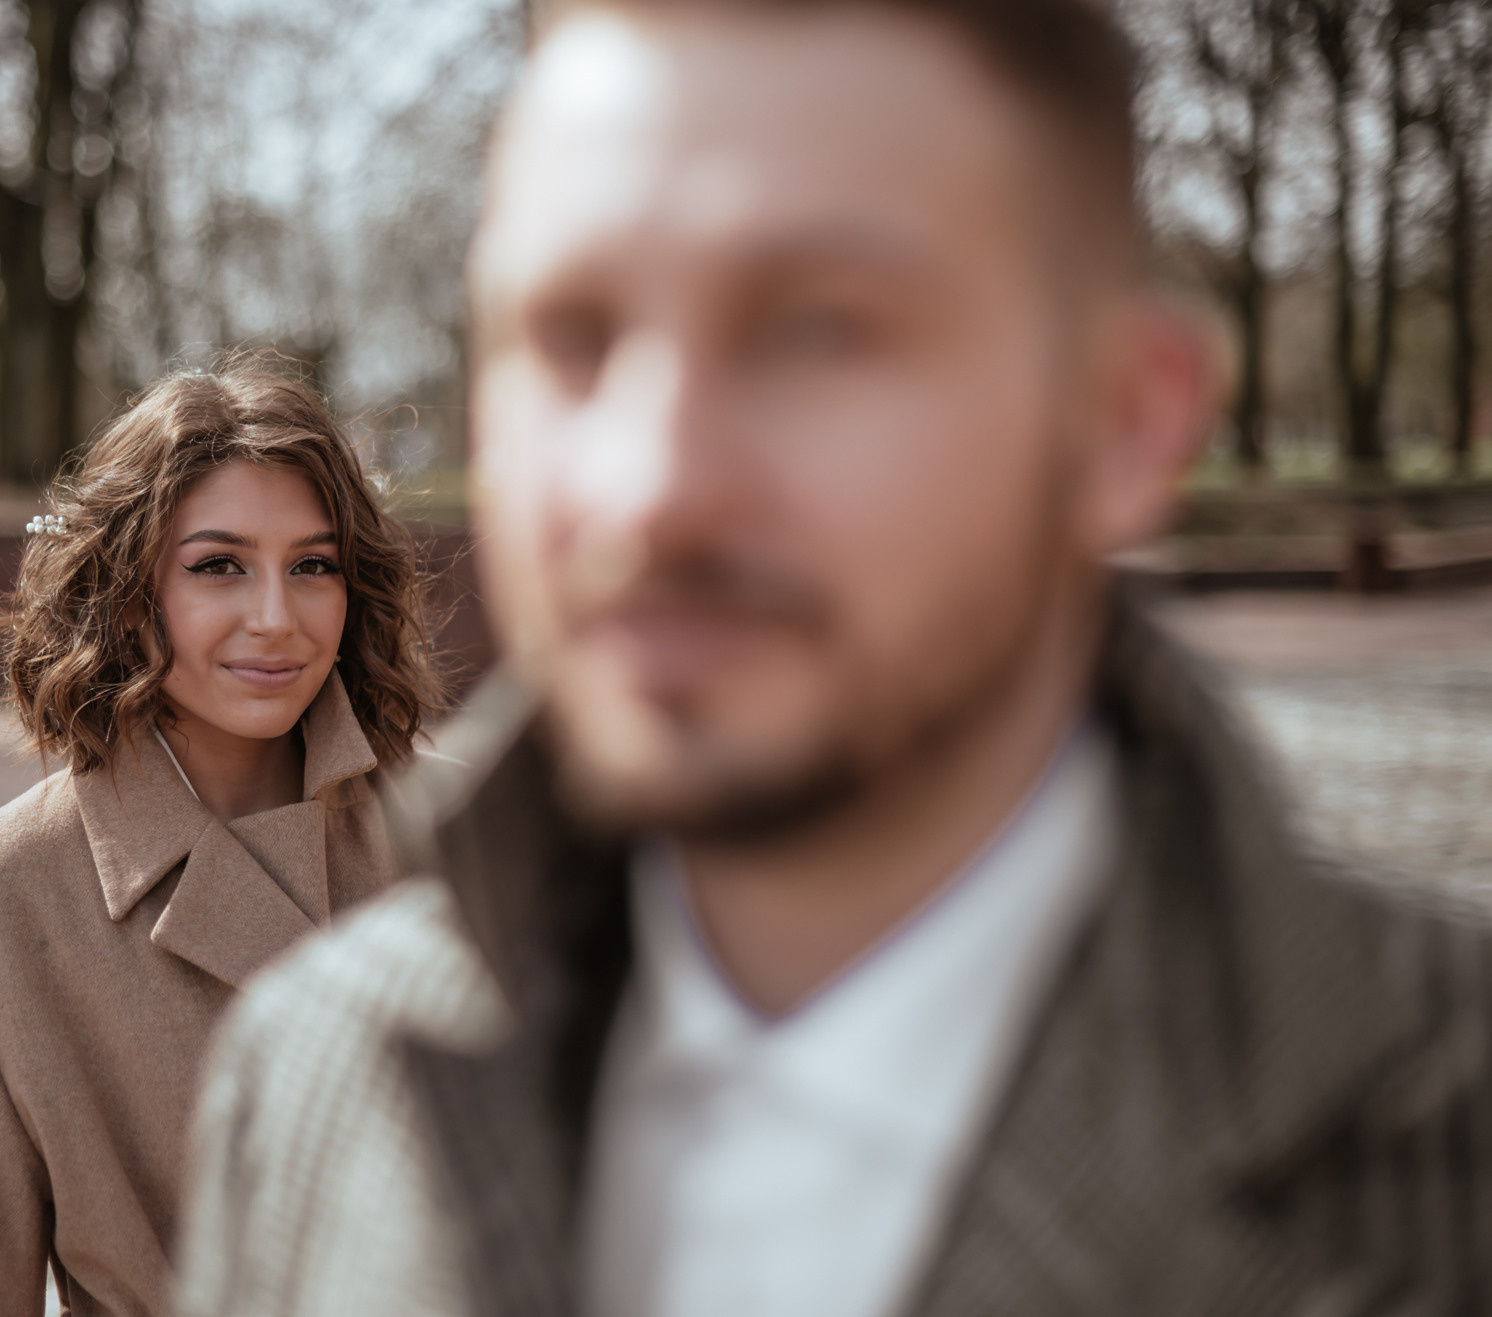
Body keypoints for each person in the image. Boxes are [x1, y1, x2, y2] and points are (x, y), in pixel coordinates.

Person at [174, 2, 1492, 1315]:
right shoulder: (310, 1080)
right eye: (572, 336)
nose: (652, 489)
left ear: (1124, 423)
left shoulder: (1446, 1146)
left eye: (818, 328)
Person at [0, 360, 440, 1316]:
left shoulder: (469, 845)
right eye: (219, 565)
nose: (275, 618)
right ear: (127, 590)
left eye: (313, 564)